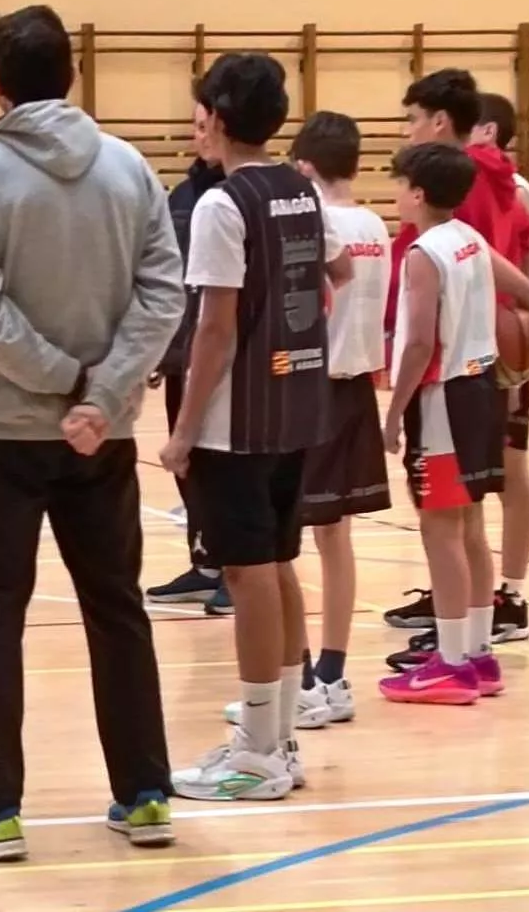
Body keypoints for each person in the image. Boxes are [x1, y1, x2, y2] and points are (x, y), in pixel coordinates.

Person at [0, 5, 184, 859]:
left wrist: (72, 383)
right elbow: (163, 295)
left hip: (5, 432)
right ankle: (145, 793)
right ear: (72, 71)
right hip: (100, 436)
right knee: (119, 610)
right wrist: (102, 394)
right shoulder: (131, 168)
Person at [162, 52, 352, 802]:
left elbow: (213, 329)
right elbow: (341, 274)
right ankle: (278, 735)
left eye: (200, 109)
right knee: (276, 566)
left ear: (217, 116)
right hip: (297, 406)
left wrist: (180, 430)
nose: (194, 123)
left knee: (246, 574)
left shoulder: (222, 204)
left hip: (233, 421)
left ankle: (257, 754)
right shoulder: (299, 191)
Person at [379, 69, 529, 671]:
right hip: (480, 388)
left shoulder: (428, 250)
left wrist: (394, 411)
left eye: (400, 185)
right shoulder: (471, 240)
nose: (396, 195)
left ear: (420, 192)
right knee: (471, 525)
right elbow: (528, 292)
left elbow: (420, 342)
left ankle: (453, 660)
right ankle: (475, 649)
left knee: (443, 529)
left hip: (444, 397)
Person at [221, 111, 389, 732]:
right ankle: (332, 674)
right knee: (335, 540)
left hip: (310, 387)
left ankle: (293, 681)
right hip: (359, 386)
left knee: (283, 540)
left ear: (306, 166)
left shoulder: (310, 216)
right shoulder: (374, 223)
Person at [145, 96, 229, 615]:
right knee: (186, 461)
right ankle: (204, 563)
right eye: (194, 126)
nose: (200, 136)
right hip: (183, 355)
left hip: (227, 358)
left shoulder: (238, 196)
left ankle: (232, 565)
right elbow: (170, 277)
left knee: (221, 464)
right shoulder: (182, 196)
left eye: (207, 126)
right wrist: (161, 346)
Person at [471, 93, 529, 643]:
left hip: (510, 349)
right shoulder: (472, 182)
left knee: (509, 470)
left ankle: (512, 593)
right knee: (472, 478)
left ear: (489, 131)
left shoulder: (513, 189)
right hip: (481, 347)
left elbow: (524, 273)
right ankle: (468, 591)